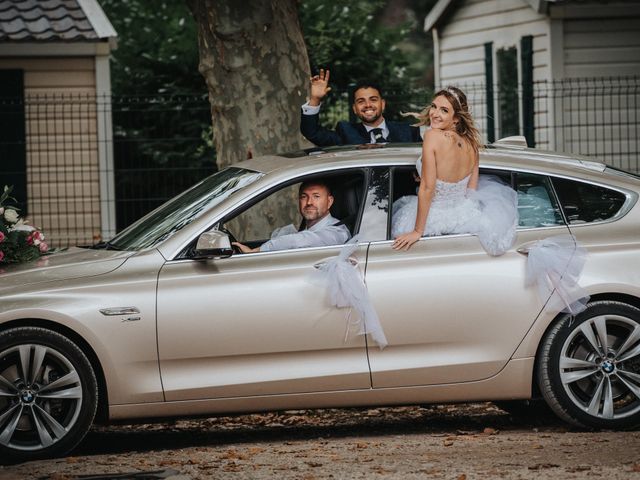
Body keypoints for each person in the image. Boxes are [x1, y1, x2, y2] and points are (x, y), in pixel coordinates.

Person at [391, 86, 518, 255]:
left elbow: (428, 188)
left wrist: (417, 231)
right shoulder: (472, 144)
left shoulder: (432, 136)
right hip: (466, 217)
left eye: (444, 110)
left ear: (456, 118)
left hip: (432, 219)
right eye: (434, 106)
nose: (435, 113)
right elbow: (471, 189)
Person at [300, 69, 422, 146]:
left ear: (383, 104)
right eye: (361, 101)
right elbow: (312, 133)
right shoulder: (345, 133)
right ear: (354, 108)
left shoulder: (409, 131)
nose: (368, 105)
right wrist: (315, 99)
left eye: (373, 100)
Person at [233, 180, 351, 253]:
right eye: (304, 197)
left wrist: (257, 251)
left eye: (316, 196)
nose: (309, 202)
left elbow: (302, 241)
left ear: (329, 202)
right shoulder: (298, 231)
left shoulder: (338, 231)